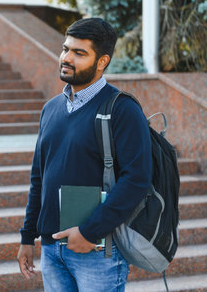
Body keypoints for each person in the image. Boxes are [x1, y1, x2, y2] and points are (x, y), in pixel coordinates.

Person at [16, 17, 152, 291]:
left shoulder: (122, 109)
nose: (67, 58)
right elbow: (39, 179)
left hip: (97, 250)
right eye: (66, 49)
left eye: (79, 53)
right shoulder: (51, 108)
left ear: (101, 62)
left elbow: (137, 179)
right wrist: (28, 237)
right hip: (52, 249)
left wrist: (90, 232)